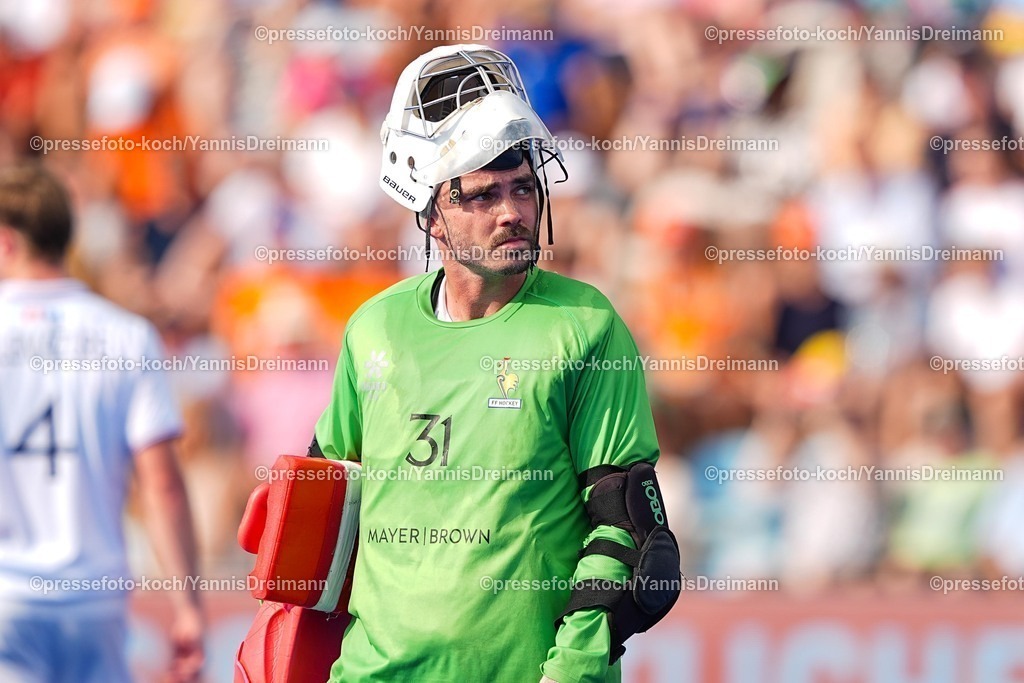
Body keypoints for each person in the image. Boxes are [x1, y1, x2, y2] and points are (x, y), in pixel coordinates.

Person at [311, 45, 680, 683]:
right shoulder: (373, 328)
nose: (511, 212)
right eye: (481, 197)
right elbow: (317, 507)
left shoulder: (586, 327)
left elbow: (629, 538)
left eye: (522, 189)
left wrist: (573, 670)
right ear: (429, 214)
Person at [0, 163, 204, 683]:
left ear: (6, 241)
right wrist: (188, 606)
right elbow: (162, 484)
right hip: (94, 599)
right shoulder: (126, 336)